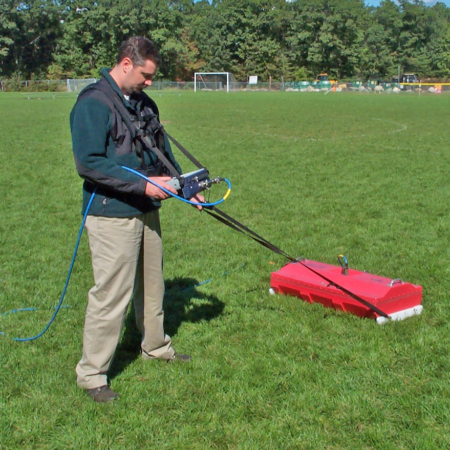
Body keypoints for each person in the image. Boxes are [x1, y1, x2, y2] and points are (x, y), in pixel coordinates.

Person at [70, 36, 202, 403]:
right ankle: (92, 375)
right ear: (126, 63)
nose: (149, 82)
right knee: (111, 295)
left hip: (147, 211)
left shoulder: (146, 104)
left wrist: (185, 186)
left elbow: (162, 152)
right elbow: (90, 163)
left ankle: (156, 346)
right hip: (112, 214)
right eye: (145, 75)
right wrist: (144, 186)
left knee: (152, 285)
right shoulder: (93, 103)